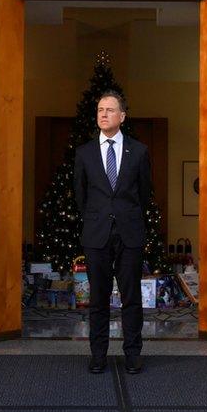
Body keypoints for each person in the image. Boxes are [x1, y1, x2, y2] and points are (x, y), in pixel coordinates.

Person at [73, 91, 152, 375]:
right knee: (98, 299)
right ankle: (98, 355)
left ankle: (132, 354)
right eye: (99, 110)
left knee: (131, 297)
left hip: (130, 234)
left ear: (122, 116)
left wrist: (125, 215)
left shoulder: (139, 151)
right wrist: (99, 218)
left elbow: (144, 194)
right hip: (97, 235)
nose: (103, 114)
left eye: (109, 110)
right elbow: (80, 196)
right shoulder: (84, 153)